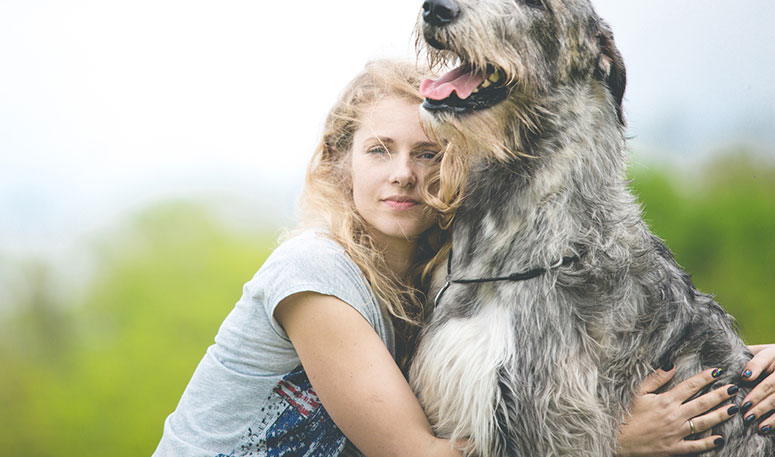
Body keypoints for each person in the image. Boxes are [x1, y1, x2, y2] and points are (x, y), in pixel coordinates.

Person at [153, 60, 774, 457]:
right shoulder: (314, 277)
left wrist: (749, 365)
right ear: (340, 162)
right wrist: (613, 441)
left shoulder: (446, 278)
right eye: (378, 150)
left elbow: (595, 348)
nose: (403, 174)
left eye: (427, 153)